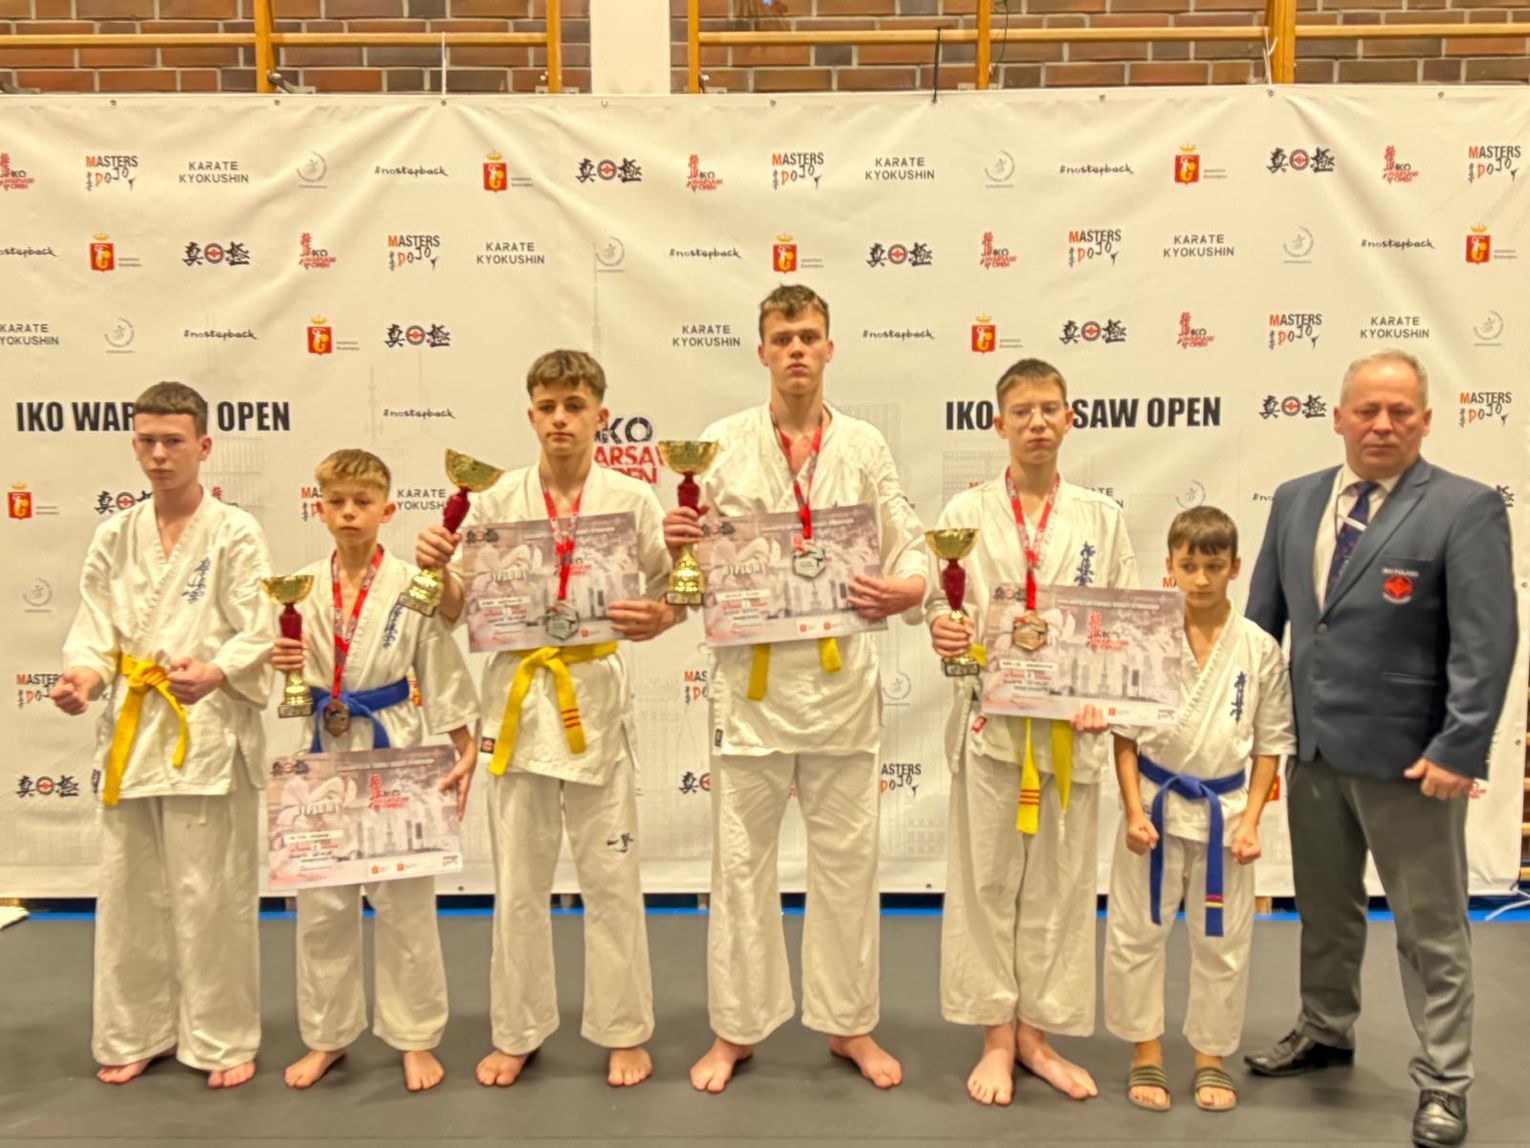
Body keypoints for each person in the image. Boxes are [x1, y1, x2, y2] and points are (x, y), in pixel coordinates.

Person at [1244, 350, 1517, 1148]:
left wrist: (1460, 746)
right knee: (1326, 912)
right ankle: (1325, 1028)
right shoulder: (1295, 500)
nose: (1382, 425)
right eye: (1367, 410)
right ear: (1338, 417)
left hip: (1413, 763)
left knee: (1431, 931)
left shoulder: (1465, 508)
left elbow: (1487, 642)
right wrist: (1244, 731)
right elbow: (1262, 629)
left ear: (1426, 421)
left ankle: (1445, 1080)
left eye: (1401, 412)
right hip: (1313, 753)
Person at [662, 284, 927, 1094]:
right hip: (752, 692)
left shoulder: (864, 445)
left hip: (840, 688)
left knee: (847, 865)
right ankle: (735, 1029)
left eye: (809, 336)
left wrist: (912, 587)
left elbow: (908, 539)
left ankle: (850, 1024)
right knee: (741, 866)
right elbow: (690, 570)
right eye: (782, 338)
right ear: (762, 352)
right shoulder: (720, 445)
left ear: (830, 348)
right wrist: (679, 544)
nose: (797, 350)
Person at [416, 350, 676, 1089]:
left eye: (575, 405)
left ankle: (624, 1028)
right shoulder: (495, 499)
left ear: (600, 415)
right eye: (548, 406)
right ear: (530, 415)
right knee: (519, 884)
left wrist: (660, 614)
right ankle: (517, 1029)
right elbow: (457, 605)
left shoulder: (633, 498)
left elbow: (675, 588)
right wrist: (436, 567)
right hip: (518, 703)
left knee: (612, 878)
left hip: (594, 698)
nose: (561, 418)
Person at [50, 381, 274, 1088]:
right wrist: (83, 678)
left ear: (203, 446)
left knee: (212, 894)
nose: (158, 454)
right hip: (133, 731)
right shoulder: (114, 535)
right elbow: (94, 630)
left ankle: (221, 1036)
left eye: (173, 441)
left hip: (206, 731)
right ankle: (135, 1030)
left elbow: (259, 628)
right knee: (130, 893)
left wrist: (218, 669)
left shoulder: (235, 531)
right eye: (146, 440)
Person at [926, 358, 1136, 1107]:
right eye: (1022, 411)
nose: (1037, 422)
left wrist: (1103, 694)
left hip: (1069, 731)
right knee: (987, 881)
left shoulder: (1101, 517)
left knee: (1060, 884)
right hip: (994, 725)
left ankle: (1037, 1035)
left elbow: (1120, 623)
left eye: (1049, 408)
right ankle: (994, 1035)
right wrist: (944, 630)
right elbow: (941, 604)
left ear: (1070, 419)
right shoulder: (966, 511)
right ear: (999, 424)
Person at [272, 449, 479, 1092]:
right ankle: (327, 1036)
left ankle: (415, 1037)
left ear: (387, 511)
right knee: (322, 907)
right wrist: (278, 660)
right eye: (336, 502)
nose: (349, 513)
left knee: (406, 902)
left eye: (362, 503)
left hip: (396, 747)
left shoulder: (412, 585)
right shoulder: (299, 586)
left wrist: (464, 744)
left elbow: (438, 663)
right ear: (319, 509)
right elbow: (277, 667)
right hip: (323, 748)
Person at [1103, 506, 1294, 1113]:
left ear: (1235, 567)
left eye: (1214, 566)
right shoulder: (1147, 638)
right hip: (1154, 808)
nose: (1202, 578)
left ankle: (1211, 1056)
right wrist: (1133, 812)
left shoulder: (1259, 648)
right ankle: (1145, 1050)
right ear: (1170, 567)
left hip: (1224, 814)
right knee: (1137, 933)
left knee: (1223, 941)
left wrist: (1252, 821)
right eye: (1189, 566)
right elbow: (1124, 736)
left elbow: (1270, 745)